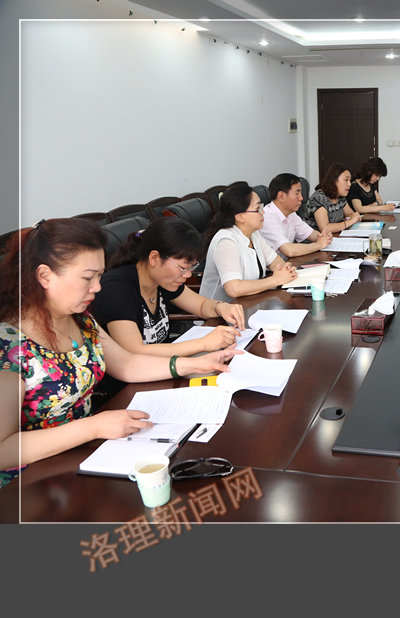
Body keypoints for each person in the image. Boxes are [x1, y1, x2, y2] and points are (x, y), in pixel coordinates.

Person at [0, 219, 240, 487]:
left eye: (99, 276)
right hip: (27, 484)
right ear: (45, 276)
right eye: (87, 277)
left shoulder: (80, 318)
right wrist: (92, 427)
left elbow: (126, 363)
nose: (97, 287)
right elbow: (3, 449)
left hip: (85, 457)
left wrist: (192, 365)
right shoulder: (8, 345)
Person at [91, 216, 245, 356]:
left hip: (164, 364)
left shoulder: (162, 279)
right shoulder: (116, 289)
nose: (188, 274)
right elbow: (134, 351)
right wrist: (204, 343)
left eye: (191, 267)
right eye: (182, 267)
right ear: (154, 258)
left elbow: (201, 306)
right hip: (135, 375)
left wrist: (221, 307)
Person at [200, 182, 298, 302]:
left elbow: (275, 261)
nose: (263, 212)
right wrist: (275, 280)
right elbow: (234, 289)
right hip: (222, 311)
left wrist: (285, 270)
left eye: (261, 207)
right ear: (240, 217)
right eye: (257, 209)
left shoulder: (253, 233)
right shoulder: (226, 241)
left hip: (251, 302)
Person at [258, 172, 332, 260]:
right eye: (297, 193)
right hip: (274, 267)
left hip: (287, 264)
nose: (301, 198)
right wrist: (319, 244)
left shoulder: (291, 213)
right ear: (282, 196)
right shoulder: (266, 217)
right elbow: (289, 251)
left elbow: (311, 234)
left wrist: (324, 236)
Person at [302, 163, 362, 233]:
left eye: (349, 180)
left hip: (335, 236)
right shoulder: (318, 198)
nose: (349, 184)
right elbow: (325, 228)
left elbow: (350, 214)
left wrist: (355, 217)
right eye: (346, 180)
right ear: (334, 181)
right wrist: (351, 221)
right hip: (315, 238)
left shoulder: (340, 197)